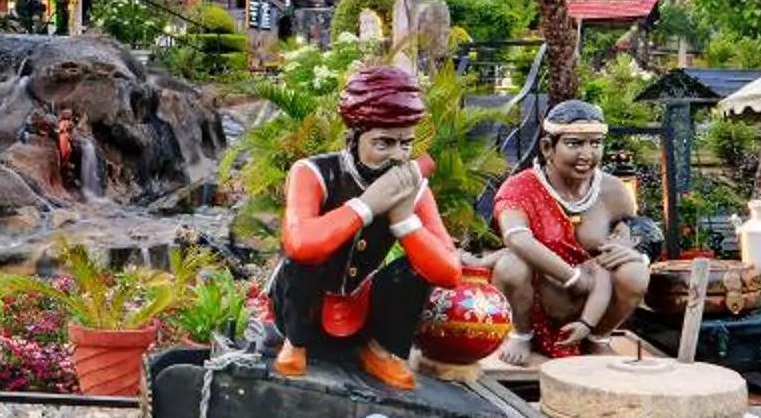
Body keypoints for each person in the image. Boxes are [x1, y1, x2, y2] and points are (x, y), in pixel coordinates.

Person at [266, 61, 465, 391]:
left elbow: (449, 271)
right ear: (353, 139)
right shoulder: (313, 172)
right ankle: (295, 343)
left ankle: (380, 350)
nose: (398, 157)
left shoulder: (412, 188)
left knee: (417, 270)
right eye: (383, 144)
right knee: (303, 261)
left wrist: (404, 220)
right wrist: (366, 205)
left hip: (361, 303)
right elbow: (299, 242)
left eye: (405, 144)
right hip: (304, 302)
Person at [491, 100, 649, 362]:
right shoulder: (519, 188)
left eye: (595, 143)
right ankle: (521, 336)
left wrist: (634, 252)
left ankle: (597, 338)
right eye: (575, 143)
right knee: (510, 265)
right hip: (538, 295)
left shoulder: (614, 191)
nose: (587, 154)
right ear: (547, 147)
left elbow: (635, 231)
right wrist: (574, 278)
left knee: (635, 271)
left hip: (596, 295)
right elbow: (516, 238)